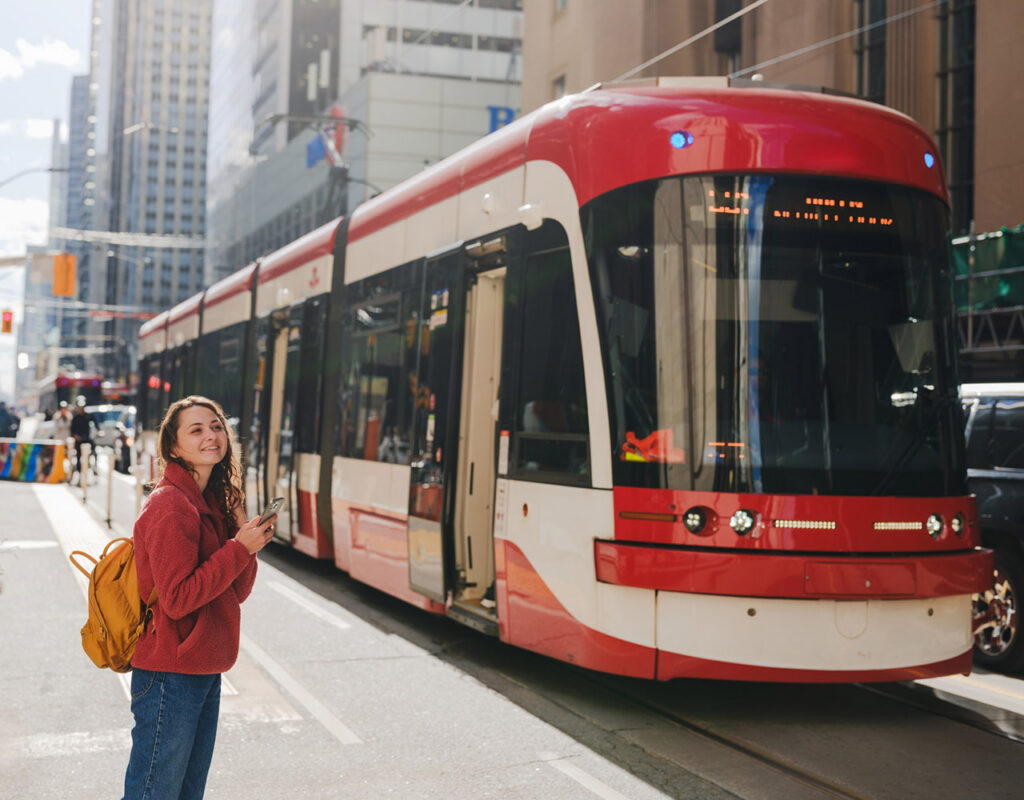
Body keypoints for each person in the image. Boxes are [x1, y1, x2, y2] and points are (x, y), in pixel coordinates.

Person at [122, 395, 276, 800]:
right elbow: (176, 599)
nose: (212, 435)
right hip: (170, 674)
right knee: (154, 793)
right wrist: (238, 549)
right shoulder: (172, 505)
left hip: (202, 667)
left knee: (186, 793)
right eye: (197, 429)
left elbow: (235, 593)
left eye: (216, 426)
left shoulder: (207, 503)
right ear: (172, 447)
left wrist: (244, 538)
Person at [69, 397, 95, 477]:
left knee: (93, 451)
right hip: (78, 440)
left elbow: (95, 424)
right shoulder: (75, 417)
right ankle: (79, 470)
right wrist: (75, 436)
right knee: (78, 456)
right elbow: (72, 430)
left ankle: (93, 468)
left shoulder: (88, 416)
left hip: (86, 439)